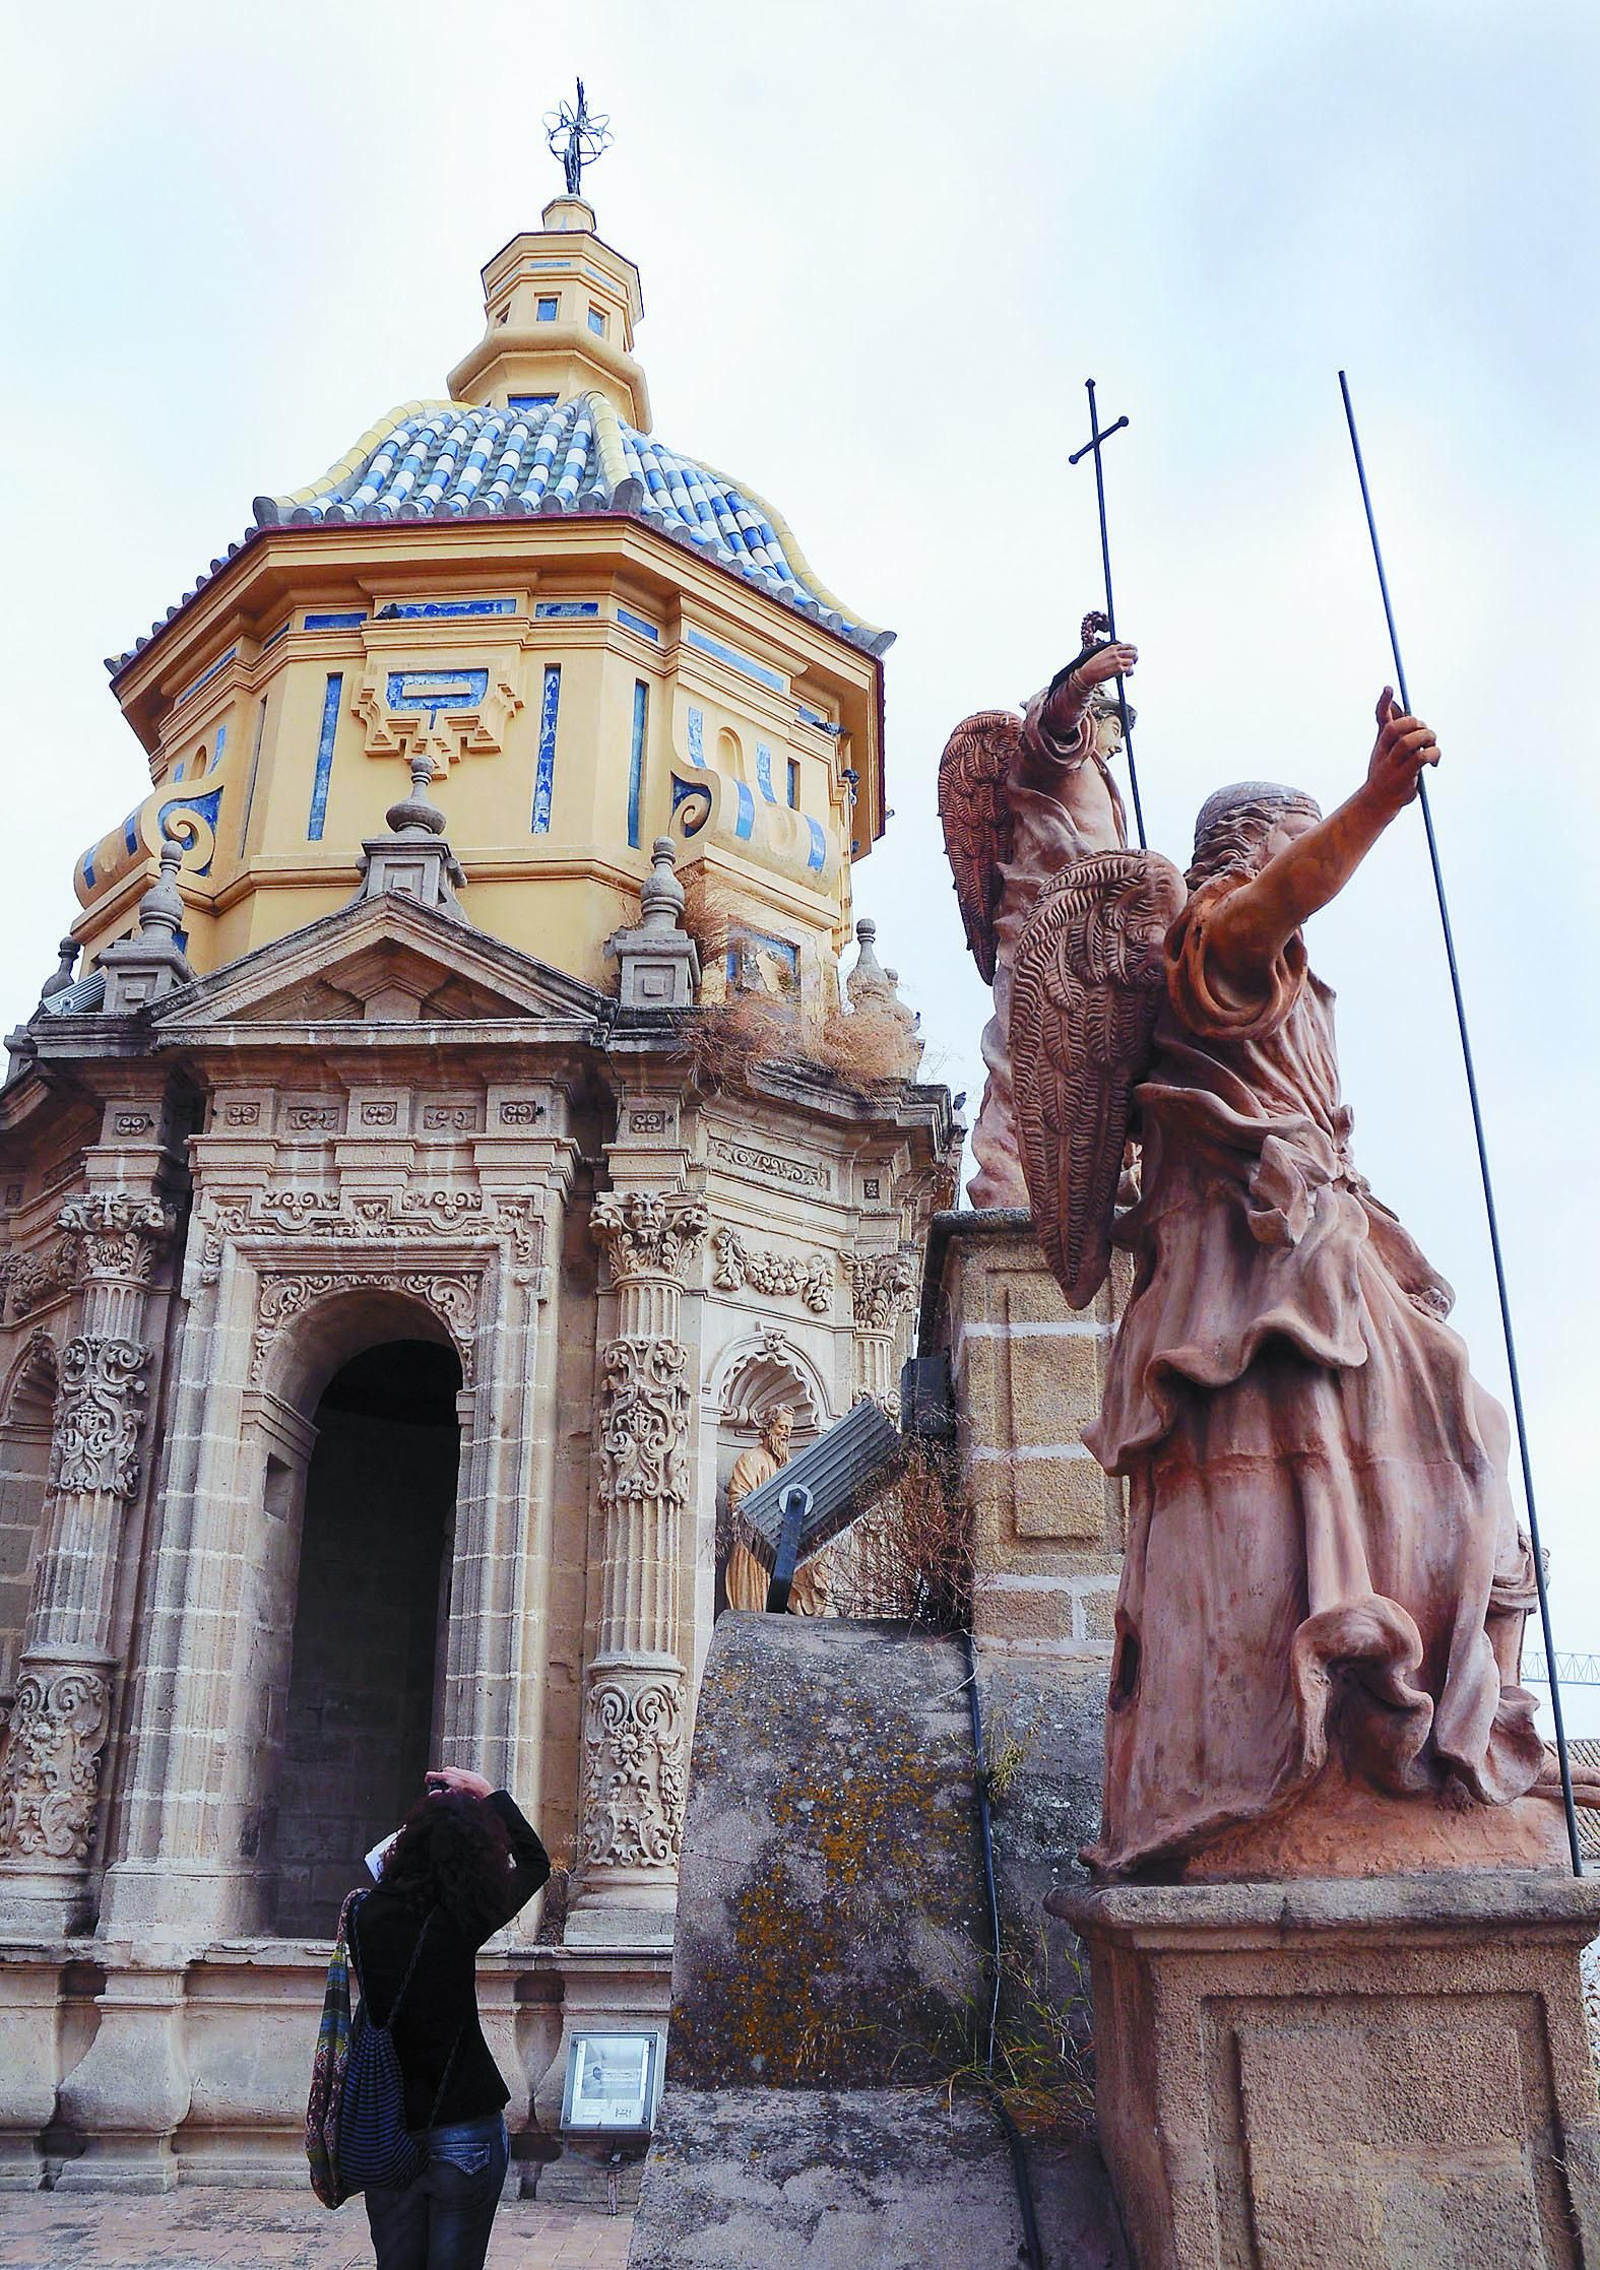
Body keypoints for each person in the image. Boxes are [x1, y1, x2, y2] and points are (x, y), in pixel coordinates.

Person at [1079, 692, 1554, 1877]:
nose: (1303, 880)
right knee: (1426, 1451)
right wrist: (1374, 800)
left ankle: (1427, 1720)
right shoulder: (1214, 949)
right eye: (1288, 846)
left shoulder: (1269, 975)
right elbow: (1275, 904)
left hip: (1319, 1261)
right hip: (1261, 1289)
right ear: (1248, 859)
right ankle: (1358, 1720)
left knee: (1467, 1445)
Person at [352, 1765, 550, 2269]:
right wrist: (487, 1797)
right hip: (464, 2128)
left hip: (388, 2130)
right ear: (475, 1859)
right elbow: (535, 1862)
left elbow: (384, 1871)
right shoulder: (463, 1921)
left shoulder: (361, 1917)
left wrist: (427, 1818)